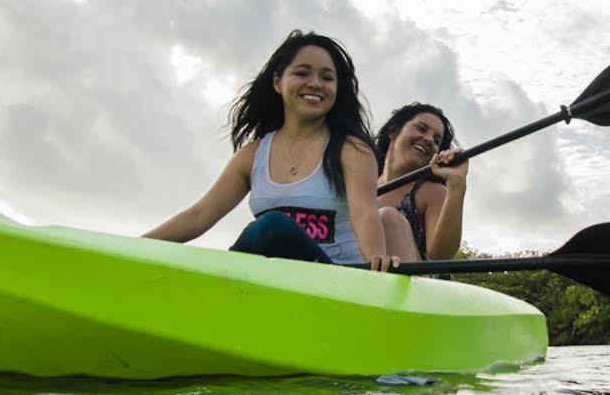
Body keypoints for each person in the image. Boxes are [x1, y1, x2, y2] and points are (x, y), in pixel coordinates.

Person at [144, 31, 396, 270]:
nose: (315, 84)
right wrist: (132, 247)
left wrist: (377, 267)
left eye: (327, 78)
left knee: (273, 226)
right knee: (268, 230)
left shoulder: (352, 150)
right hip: (272, 285)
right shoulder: (252, 156)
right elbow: (199, 215)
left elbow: (365, 214)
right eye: (302, 73)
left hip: (333, 282)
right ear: (278, 82)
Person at [374, 102, 468, 262]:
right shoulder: (359, 183)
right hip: (350, 277)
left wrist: (457, 184)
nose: (429, 139)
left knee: (389, 219)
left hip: (413, 282)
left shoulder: (432, 193)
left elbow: (441, 255)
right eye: (421, 129)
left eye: (437, 140)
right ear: (393, 131)